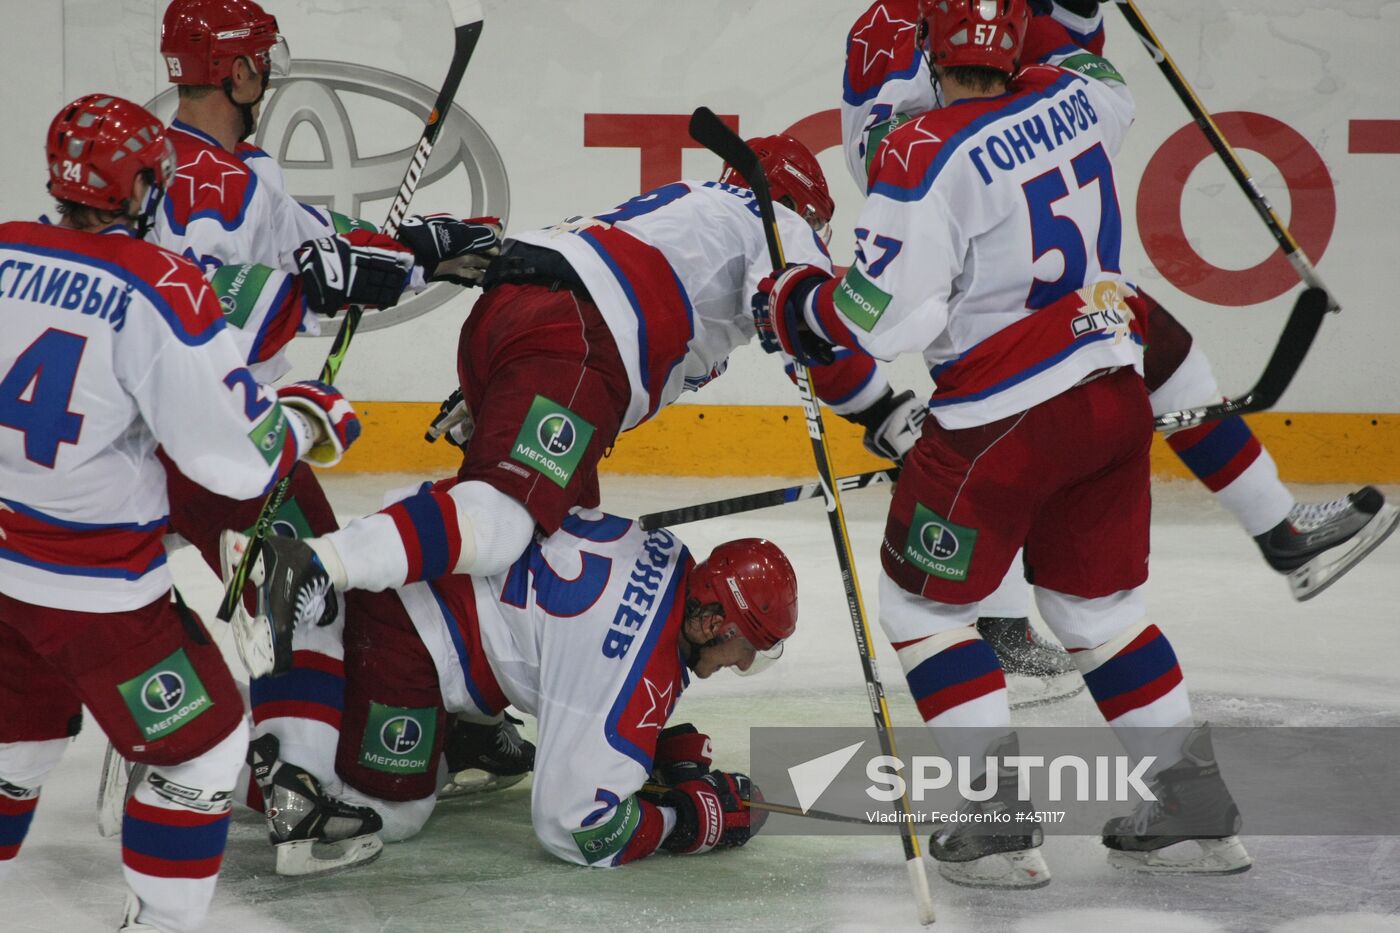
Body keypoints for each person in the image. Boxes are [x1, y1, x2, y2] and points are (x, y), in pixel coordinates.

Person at [755, 0, 1250, 886]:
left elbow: (889, 315)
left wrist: (797, 304)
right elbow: (1098, 64)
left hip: (1003, 416)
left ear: (930, 53)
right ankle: (1194, 804)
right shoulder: (1080, 95)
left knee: (921, 609)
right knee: (1098, 611)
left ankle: (995, 822)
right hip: (1111, 388)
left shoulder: (916, 147)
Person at [110, 0, 512, 875]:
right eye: (259, 61)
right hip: (213, 438)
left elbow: (326, 255)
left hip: (124, 450)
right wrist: (315, 284)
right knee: (308, 595)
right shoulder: (221, 184)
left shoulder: (159, 163)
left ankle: (188, 749)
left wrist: (420, 250)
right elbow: (210, 313)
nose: (269, 74)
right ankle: (296, 797)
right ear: (240, 71)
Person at [840, 0, 1396, 606]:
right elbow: (877, 160)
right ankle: (998, 622)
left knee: (1156, 343)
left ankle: (1279, 527)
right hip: (970, 259)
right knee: (1001, 447)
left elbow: (1079, 66)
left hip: (1030, 254)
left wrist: (1073, 9)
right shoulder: (887, 26)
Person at [267, 135, 918, 603]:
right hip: (576, 344)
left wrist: (503, 381)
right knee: (500, 525)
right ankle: (315, 562)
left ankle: (472, 713)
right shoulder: (772, 219)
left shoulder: (689, 211)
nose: (819, 236)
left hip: (518, 325)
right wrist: (885, 412)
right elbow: (816, 332)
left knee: (558, 551)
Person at [0, 94, 360, 932]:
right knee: (204, 743)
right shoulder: (156, 286)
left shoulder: (6, 248)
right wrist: (308, 418)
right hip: (94, 593)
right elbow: (230, 452)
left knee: (14, 744)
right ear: (141, 189)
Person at [226, 503, 791, 866]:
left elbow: (586, 674)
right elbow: (574, 827)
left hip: (420, 559)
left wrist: (647, 749)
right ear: (714, 623)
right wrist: (686, 820)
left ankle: (468, 732)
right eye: (751, 647)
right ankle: (208, 754)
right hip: (407, 635)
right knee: (394, 813)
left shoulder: (672, 554)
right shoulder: (634, 671)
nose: (744, 664)